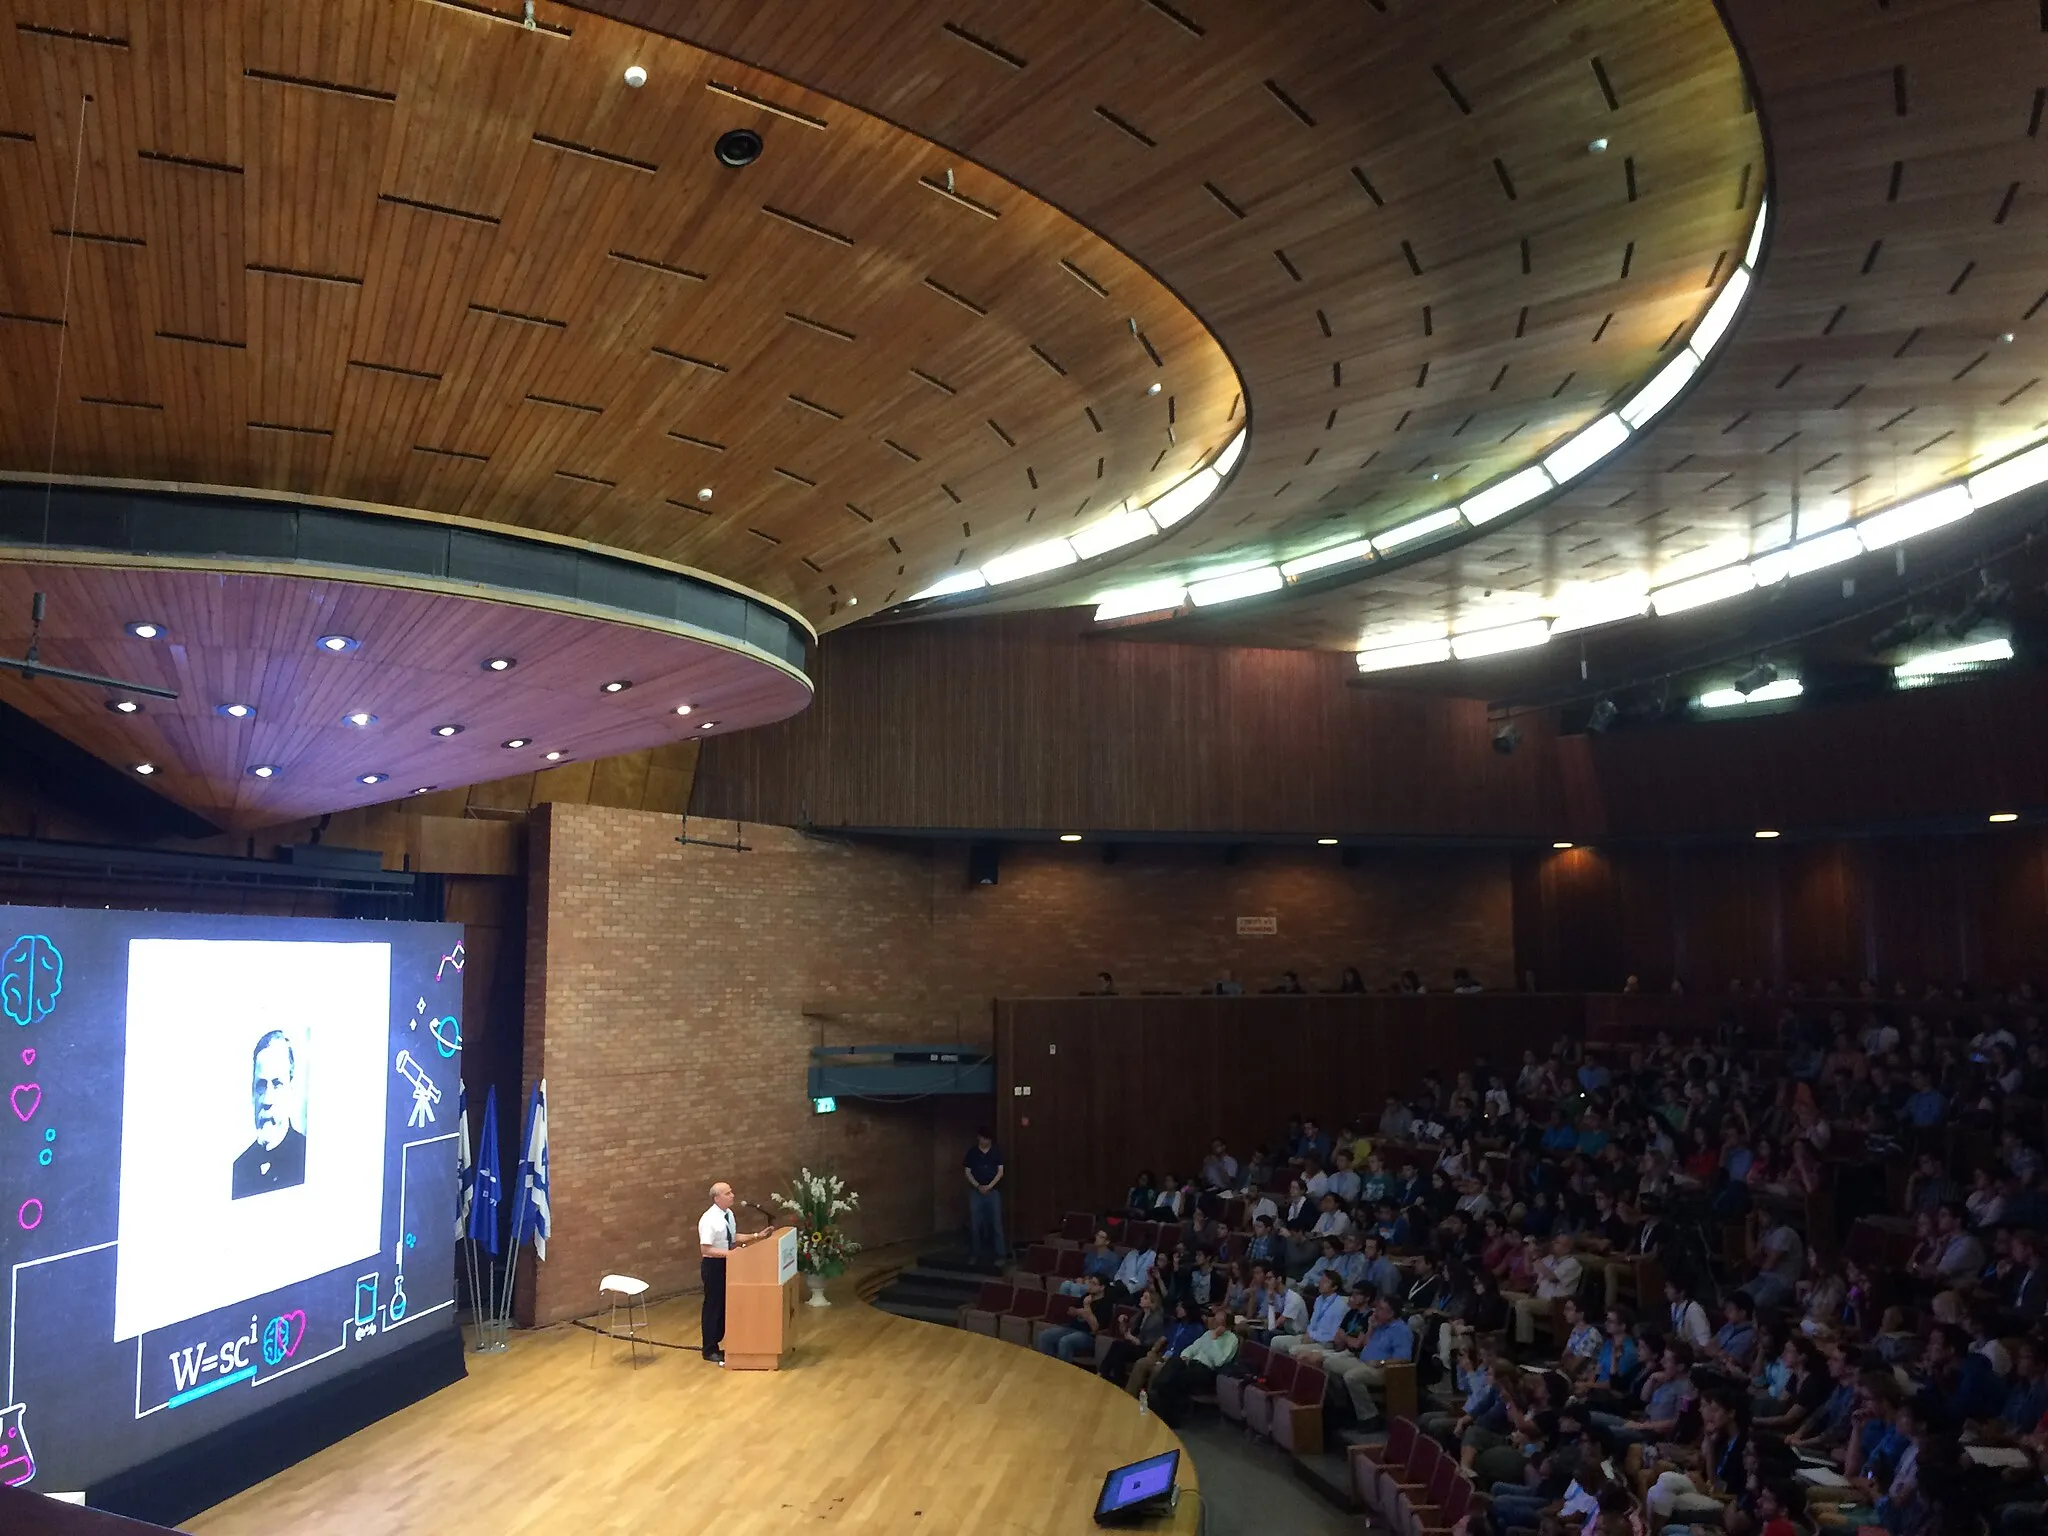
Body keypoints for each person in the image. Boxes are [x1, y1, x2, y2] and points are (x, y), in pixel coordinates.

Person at [698, 1181, 770, 1364]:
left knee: (724, 1305)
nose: (732, 1195)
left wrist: (757, 1236)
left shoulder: (728, 1214)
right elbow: (706, 1249)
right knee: (713, 1307)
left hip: (729, 1263)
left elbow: (731, 1237)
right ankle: (709, 1349)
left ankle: (722, 1342)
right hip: (714, 1266)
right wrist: (731, 1254)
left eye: (731, 1192)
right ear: (717, 1198)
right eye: (727, 1193)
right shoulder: (708, 1219)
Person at [1147, 1302, 1239, 1426]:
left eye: (1218, 1322)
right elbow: (1193, 1348)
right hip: (1191, 1363)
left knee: (1172, 1379)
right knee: (1174, 1362)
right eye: (1215, 1320)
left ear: (1226, 1325)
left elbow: (1219, 1361)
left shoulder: (1231, 1339)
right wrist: (1185, 1356)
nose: (1214, 1323)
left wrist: (1214, 1339)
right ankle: (1158, 1391)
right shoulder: (1208, 1333)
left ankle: (1168, 1416)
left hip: (1206, 1371)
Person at [1038, 1274, 1115, 1365]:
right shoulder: (1086, 1296)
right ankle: (1048, 1366)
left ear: (1102, 1287)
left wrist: (1087, 1308)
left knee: (1065, 1341)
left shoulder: (1106, 1304)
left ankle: (1062, 1371)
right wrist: (1078, 1311)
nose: (1090, 1286)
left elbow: (1095, 1328)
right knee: (1045, 1335)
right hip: (1072, 1328)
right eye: (1090, 1282)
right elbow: (1070, 1310)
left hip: (1089, 1336)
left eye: (1094, 1283)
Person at [963, 1128, 1005, 1269]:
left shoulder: (996, 1151)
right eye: (983, 1138)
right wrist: (978, 1185)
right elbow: (967, 1171)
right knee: (975, 1225)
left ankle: (1000, 1255)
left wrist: (989, 1186)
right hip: (976, 1191)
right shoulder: (972, 1152)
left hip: (993, 1191)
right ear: (978, 1138)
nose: (985, 1142)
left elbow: (1000, 1171)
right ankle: (975, 1254)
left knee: (996, 1224)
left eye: (988, 1139)